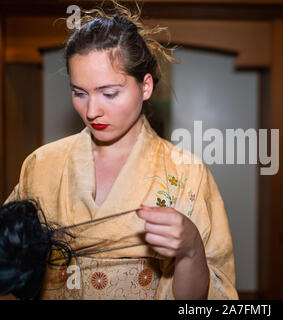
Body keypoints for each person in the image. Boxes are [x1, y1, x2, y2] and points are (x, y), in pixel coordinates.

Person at [3, 1, 238, 300]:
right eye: (79, 93)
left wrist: (191, 250)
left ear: (145, 87)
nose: (91, 111)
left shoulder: (187, 173)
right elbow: (9, 263)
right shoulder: (41, 164)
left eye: (109, 93)